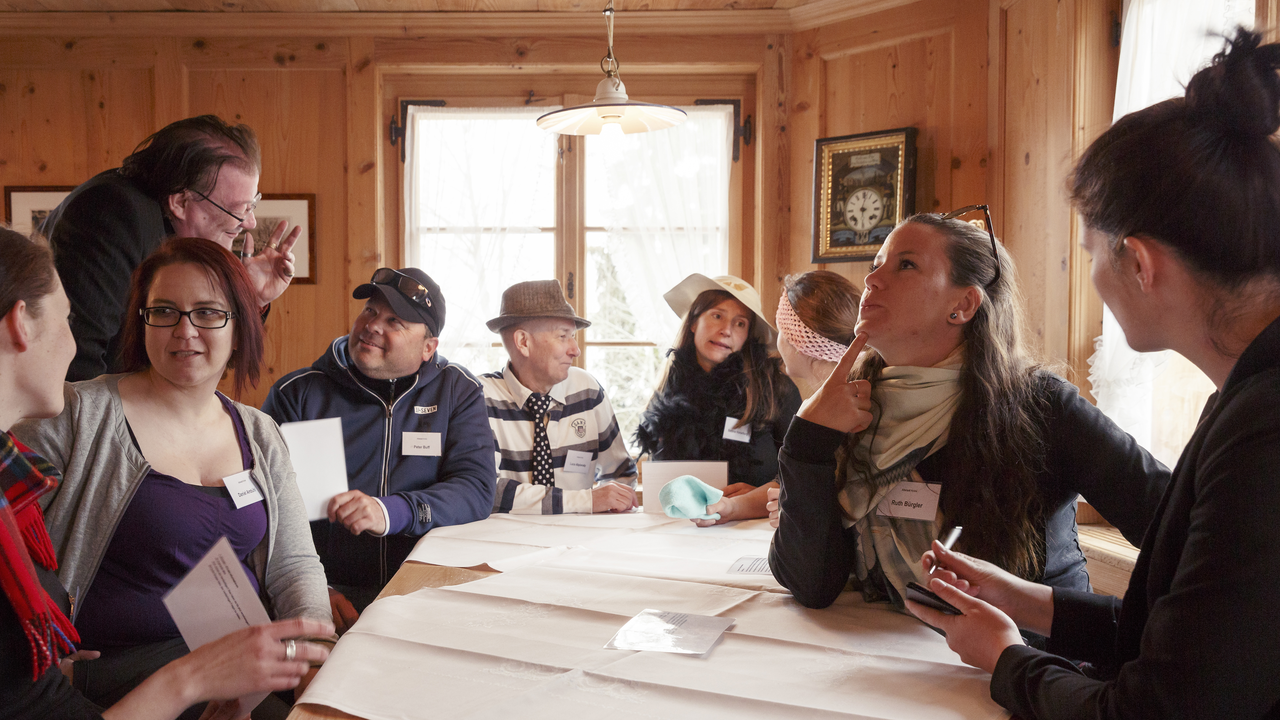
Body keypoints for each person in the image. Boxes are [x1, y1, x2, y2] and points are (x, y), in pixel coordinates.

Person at [905, 30, 1280, 718]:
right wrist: (1026, 602)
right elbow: (1190, 646)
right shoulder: (1243, 397)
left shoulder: (1265, 431)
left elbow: (1159, 708)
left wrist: (1007, 660)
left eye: (1091, 253)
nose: (1094, 276)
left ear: (1139, 262)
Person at [0, 227, 332, 720]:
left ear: (240, 325)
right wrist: (43, 654)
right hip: (108, 676)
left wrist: (310, 651)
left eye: (207, 313)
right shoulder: (75, 413)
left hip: (232, 665)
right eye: (164, 312)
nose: (185, 330)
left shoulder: (259, 432)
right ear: (142, 321)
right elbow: (18, 547)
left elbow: (293, 563)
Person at [767, 209, 1169, 615]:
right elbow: (812, 585)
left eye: (905, 265)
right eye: (876, 265)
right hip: (887, 659)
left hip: (1022, 667)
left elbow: (1177, 526)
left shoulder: (1040, 407)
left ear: (962, 304)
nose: (871, 279)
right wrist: (806, 441)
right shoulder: (853, 405)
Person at [262, 267, 495, 631]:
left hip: (428, 594)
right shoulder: (297, 395)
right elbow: (269, 511)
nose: (372, 325)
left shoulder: (457, 390)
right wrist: (311, 590)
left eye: (395, 321)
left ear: (428, 347)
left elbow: (476, 491)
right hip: (332, 596)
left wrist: (390, 511)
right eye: (370, 311)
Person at [40, 115, 300, 381]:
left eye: (251, 205)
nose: (250, 222)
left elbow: (204, 357)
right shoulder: (114, 211)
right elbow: (77, 358)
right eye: (238, 209)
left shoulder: (179, 235)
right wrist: (112, 424)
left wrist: (251, 299)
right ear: (180, 203)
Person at [635, 274, 802, 524]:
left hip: (753, 526)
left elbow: (799, 468)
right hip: (677, 528)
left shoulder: (775, 388)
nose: (726, 330)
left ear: (748, 336)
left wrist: (754, 497)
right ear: (693, 322)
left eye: (740, 323)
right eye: (717, 316)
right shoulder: (668, 390)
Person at [480, 280, 638, 514]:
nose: (575, 349)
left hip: (580, 543)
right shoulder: (481, 398)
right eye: (563, 336)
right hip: (505, 544)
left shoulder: (587, 390)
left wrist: (608, 506)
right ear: (523, 342)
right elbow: (487, 490)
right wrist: (586, 502)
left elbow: (620, 474)